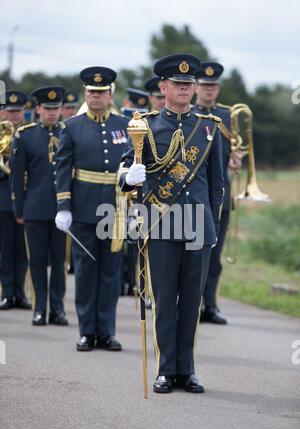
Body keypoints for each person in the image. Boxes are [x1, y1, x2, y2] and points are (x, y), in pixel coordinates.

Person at [119, 54, 224, 394]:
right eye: (178, 84)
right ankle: (166, 370)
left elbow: (217, 184)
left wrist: (212, 226)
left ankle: (187, 370)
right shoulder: (144, 125)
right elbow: (123, 172)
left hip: (198, 228)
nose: (185, 89)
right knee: (165, 301)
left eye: (189, 84)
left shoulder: (209, 128)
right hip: (162, 225)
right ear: (163, 87)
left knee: (191, 302)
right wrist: (128, 176)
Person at [55, 66, 128, 352]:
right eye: (91, 92)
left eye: (101, 92)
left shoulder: (124, 125)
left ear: (111, 94)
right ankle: (87, 331)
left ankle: (107, 331)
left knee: (111, 274)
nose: (96, 96)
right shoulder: (72, 126)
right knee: (85, 272)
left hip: (115, 209)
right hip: (83, 209)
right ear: (86, 94)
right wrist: (63, 205)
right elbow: (62, 169)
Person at [10, 86, 68, 326]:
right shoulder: (25, 135)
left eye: (56, 109)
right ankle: (39, 307)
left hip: (62, 208)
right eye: (48, 109)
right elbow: (16, 175)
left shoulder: (68, 132)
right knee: (36, 261)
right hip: (35, 208)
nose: (52, 113)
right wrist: (19, 209)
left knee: (59, 263)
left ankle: (57, 308)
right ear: (38, 109)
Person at [193, 62, 241, 324]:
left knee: (215, 255)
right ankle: (190, 303)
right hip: (195, 194)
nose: (209, 90)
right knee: (193, 253)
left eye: (213, 86)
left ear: (218, 88)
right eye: (204, 86)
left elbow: (235, 152)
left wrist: (237, 160)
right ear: (196, 87)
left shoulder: (227, 116)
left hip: (221, 196)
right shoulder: (189, 115)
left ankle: (210, 305)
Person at [0, 91, 30, 310]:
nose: (14, 116)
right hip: (2, 197)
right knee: (5, 249)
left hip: (27, 198)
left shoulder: (29, 134)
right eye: (10, 111)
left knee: (23, 250)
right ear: (2, 113)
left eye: (18, 112)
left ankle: (20, 293)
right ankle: (7, 292)